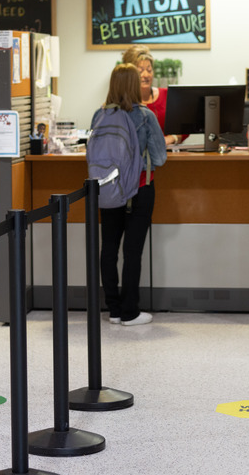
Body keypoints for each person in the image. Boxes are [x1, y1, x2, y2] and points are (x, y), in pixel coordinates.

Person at [92, 63, 167, 326]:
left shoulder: (99, 115)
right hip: (139, 189)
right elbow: (159, 158)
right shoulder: (146, 116)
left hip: (107, 189)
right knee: (132, 251)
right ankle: (130, 312)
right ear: (135, 86)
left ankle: (112, 309)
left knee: (109, 248)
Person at [122, 44, 182, 146]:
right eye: (140, 71)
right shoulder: (121, 102)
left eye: (149, 70)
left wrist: (172, 138)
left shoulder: (167, 95)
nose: (146, 75)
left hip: (167, 156)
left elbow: (184, 129)